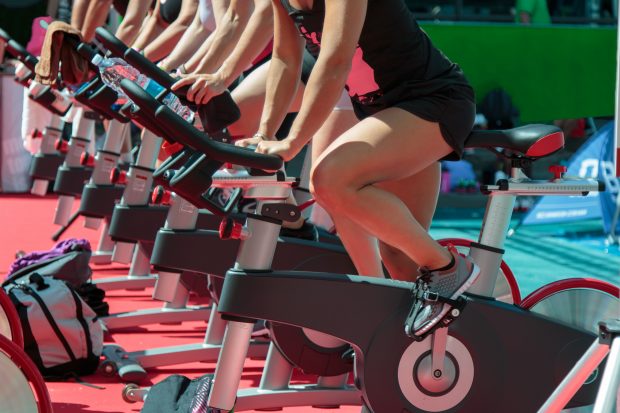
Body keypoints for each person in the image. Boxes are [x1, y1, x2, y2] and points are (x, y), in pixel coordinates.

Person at [229, 0, 480, 339]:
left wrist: (291, 143)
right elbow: (285, 59)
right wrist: (265, 133)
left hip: (432, 102)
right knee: (400, 259)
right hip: (386, 111)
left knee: (330, 179)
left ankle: (448, 267)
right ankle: (442, 355)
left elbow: (334, 61)